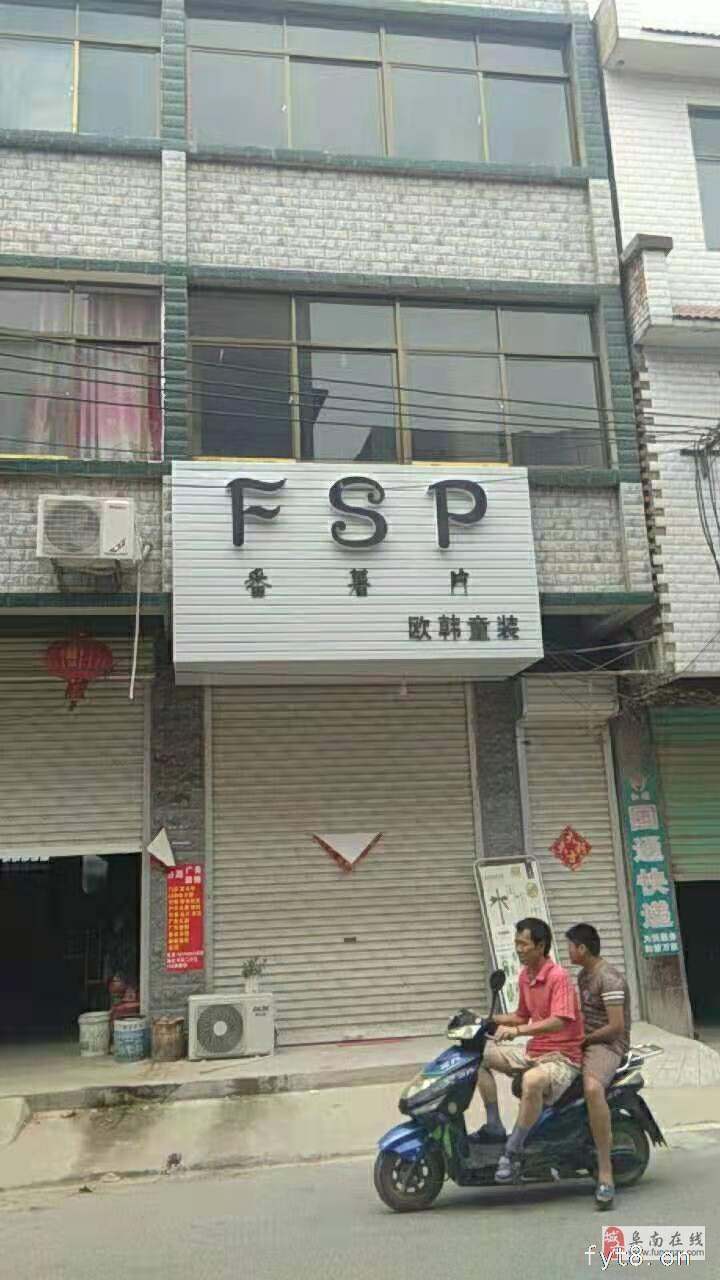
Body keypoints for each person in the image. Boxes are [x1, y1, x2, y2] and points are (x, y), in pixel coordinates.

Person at [474, 917, 584, 1183]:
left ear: (540, 946)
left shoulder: (558, 977)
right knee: (477, 1057)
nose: (518, 949)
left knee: (532, 1081)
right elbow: (522, 1015)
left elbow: (559, 1020)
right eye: (516, 943)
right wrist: (486, 1020)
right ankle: (494, 1125)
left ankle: (513, 1150)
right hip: (535, 1051)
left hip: (562, 1057)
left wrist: (518, 1032)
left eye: (523, 944)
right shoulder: (526, 976)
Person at [566, 923, 631, 1209]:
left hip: (607, 1045)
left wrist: (584, 1040)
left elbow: (616, 1027)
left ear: (582, 948)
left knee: (592, 1088)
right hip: (587, 1039)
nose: (568, 951)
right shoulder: (583, 975)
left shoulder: (609, 978)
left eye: (570, 945)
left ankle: (605, 1172)